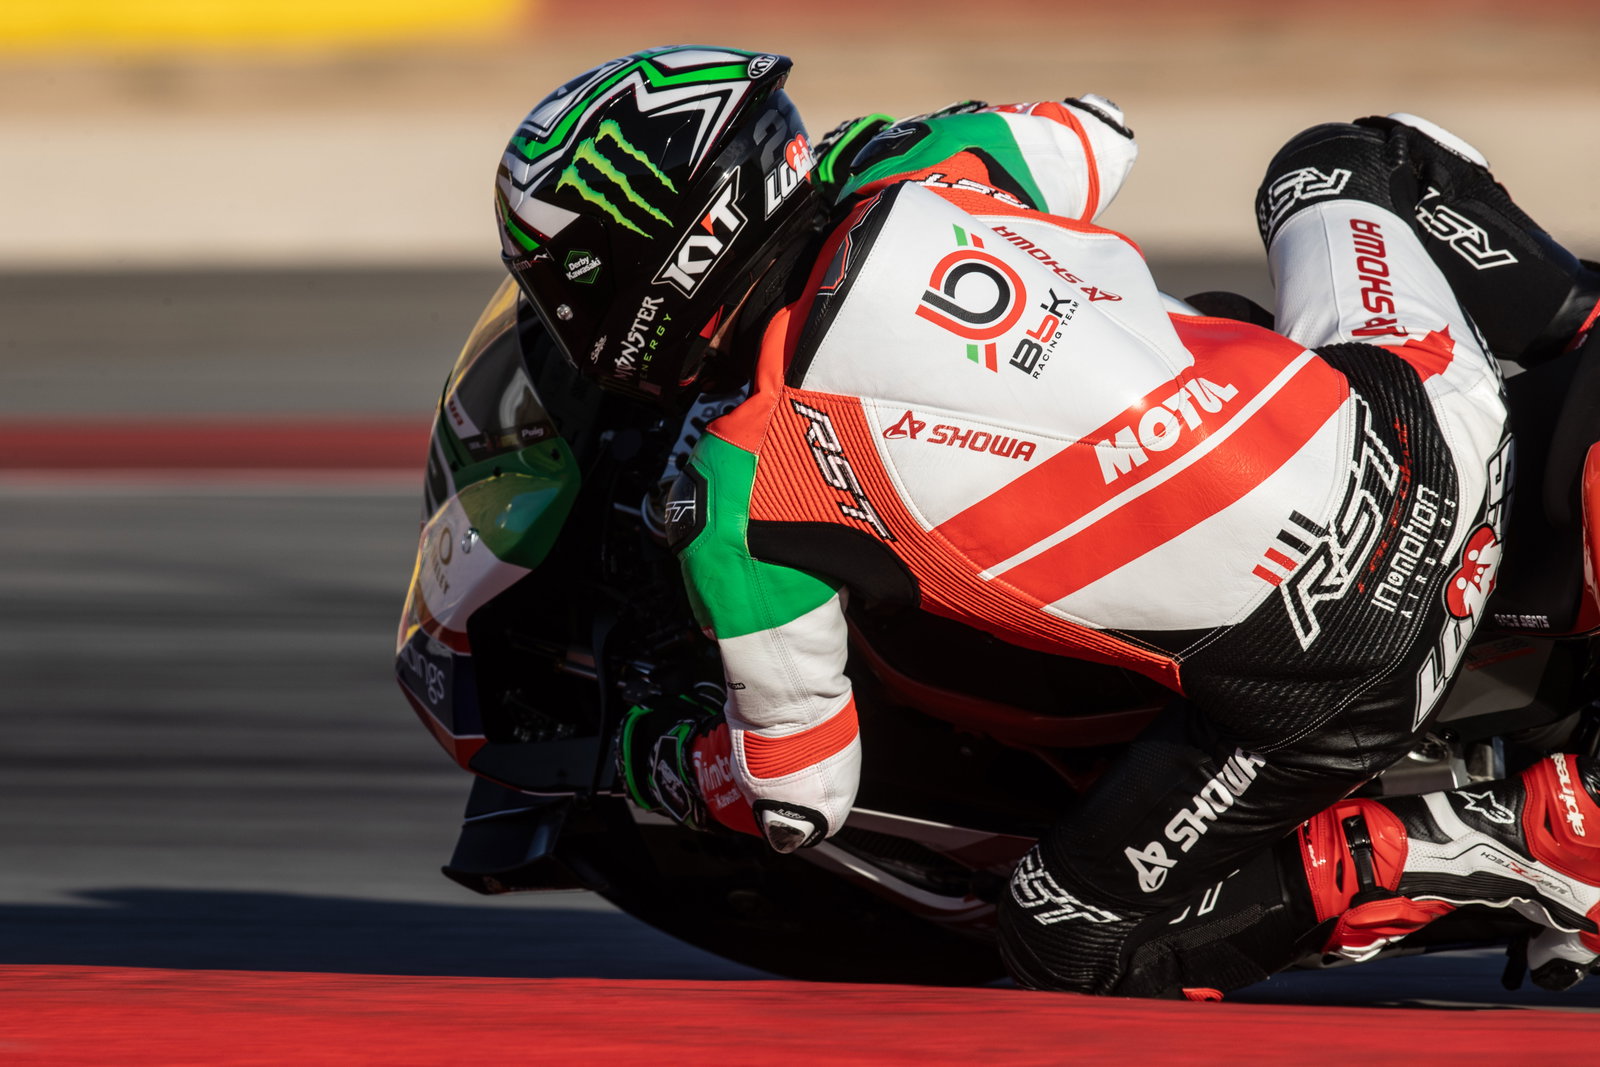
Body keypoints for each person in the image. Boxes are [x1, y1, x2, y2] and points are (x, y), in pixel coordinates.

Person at [495, 45, 1600, 995]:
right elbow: (1097, 132)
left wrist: (652, 757)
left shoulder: (738, 487)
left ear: (634, 276)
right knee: (1349, 159)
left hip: (1341, 652)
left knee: (1060, 936)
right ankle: (1582, 330)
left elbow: (799, 799)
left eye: (561, 289)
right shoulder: (925, 167)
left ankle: (1488, 844)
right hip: (1424, 419)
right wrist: (892, 155)